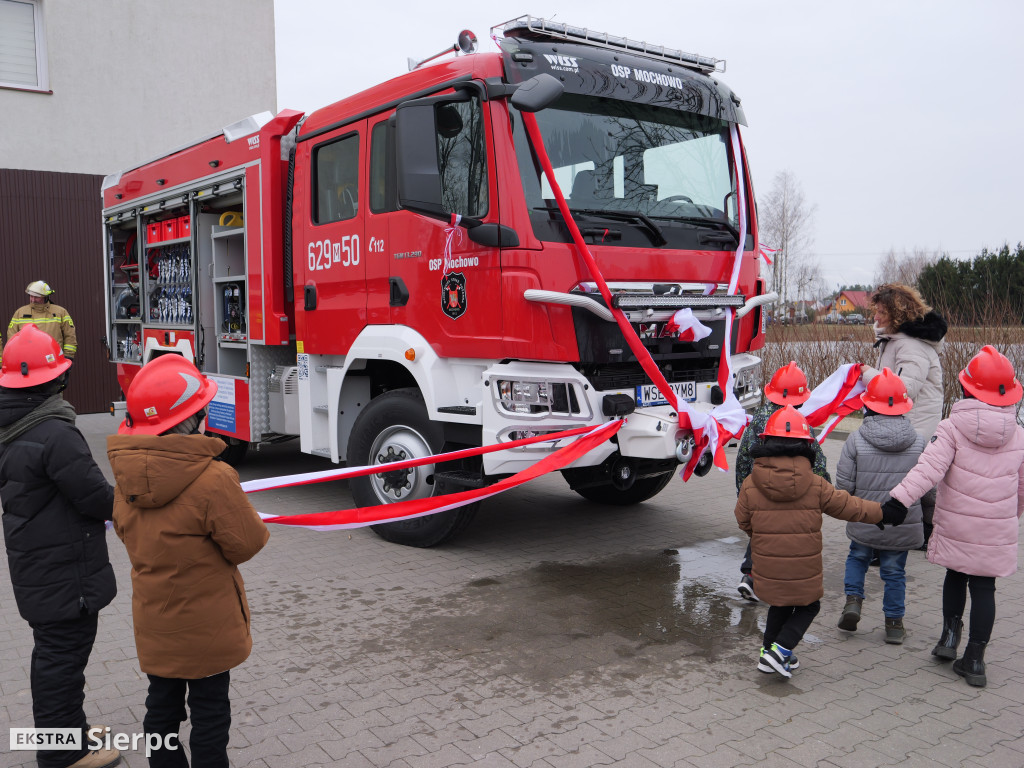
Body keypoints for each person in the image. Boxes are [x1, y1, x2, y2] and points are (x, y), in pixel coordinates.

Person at [107, 354, 269, 766]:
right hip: (208, 628)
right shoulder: (214, 479)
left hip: (156, 622)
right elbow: (246, 544)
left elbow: (125, 532)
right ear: (194, 418)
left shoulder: (125, 479)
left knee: (160, 709)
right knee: (211, 712)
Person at [0, 325, 120, 768]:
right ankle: (62, 753)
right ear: (55, 380)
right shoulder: (55, 433)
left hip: (38, 564)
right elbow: (95, 497)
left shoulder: (13, 425)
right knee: (61, 660)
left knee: (56, 653)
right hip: (63, 570)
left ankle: (71, 730)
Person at [888, 345, 1024, 688]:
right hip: (996, 527)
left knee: (956, 575)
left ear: (966, 388)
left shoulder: (951, 427)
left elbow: (928, 470)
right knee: (984, 586)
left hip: (958, 523)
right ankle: (975, 660)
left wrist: (898, 501)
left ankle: (949, 638)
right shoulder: (1020, 435)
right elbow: (1022, 488)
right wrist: (1011, 514)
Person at [734, 406, 904, 678]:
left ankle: (770, 654)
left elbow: (742, 520)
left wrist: (761, 537)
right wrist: (883, 513)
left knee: (779, 603)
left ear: (765, 442)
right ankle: (781, 650)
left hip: (767, 565)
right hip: (804, 568)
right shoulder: (815, 484)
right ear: (806, 445)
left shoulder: (750, 485)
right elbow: (849, 506)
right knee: (808, 605)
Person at [835, 368, 932, 644]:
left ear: (868, 405)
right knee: (894, 571)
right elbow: (928, 487)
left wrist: (848, 506)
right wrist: (929, 519)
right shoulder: (918, 441)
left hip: (864, 516)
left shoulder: (856, 439)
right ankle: (893, 624)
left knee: (857, 557)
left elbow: (844, 485)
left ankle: (853, 602)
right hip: (902, 522)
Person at [734, 361, 831, 600]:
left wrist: (744, 492)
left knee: (762, 532)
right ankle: (766, 583)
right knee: (783, 538)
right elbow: (816, 458)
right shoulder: (799, 422)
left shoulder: (758, 419)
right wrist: (821, 486)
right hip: (792, 491)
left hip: (759, 489)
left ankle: (750, 576)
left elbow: (743, 457)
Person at [861, 283, 946, 550]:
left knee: (910, 478)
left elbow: (904, 389)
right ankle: (923, 533)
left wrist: (866, 374)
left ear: (896, 314)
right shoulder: (897, 340)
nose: (876, 316)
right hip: (906, 422)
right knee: (914, 479)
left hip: (914, 424)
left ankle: (922, 533)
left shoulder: (910, 345)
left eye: (881, 311)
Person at [8, 280, 78, 362]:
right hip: (28, 362)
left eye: (37, 297)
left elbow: (70, 336)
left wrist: (68, 357)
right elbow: (12, 338)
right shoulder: (20, 313)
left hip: (55, 362)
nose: (33, 300)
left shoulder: (60, 312)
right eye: (31, 296)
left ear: (46, 297)